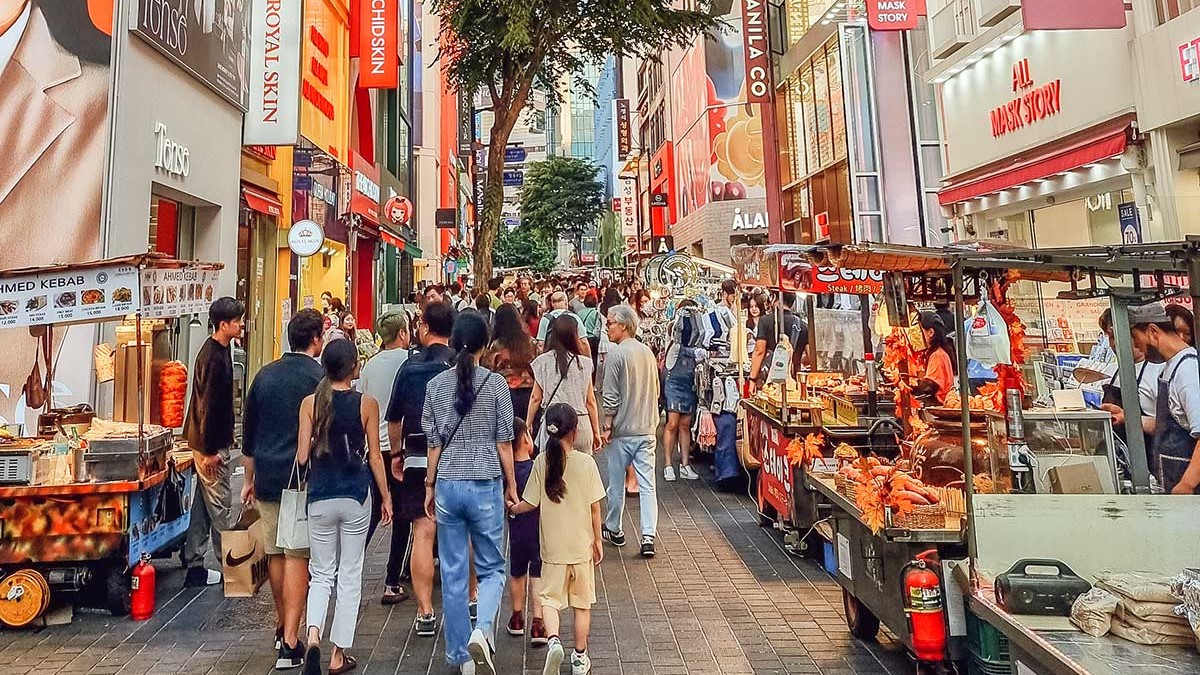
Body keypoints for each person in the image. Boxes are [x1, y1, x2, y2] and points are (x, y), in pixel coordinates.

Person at [423, 312, 518, 674]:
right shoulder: (496, 386)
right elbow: (504, 443)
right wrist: (511, 485)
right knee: (492, 567)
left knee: (453, 570)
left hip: (447, 481)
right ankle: (482, 629)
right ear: (485, 345)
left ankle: (460, 657)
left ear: (451, 342)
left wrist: (429, 485)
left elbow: (434, 444)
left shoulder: (436, 387)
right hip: (485, 481)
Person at [297, 340, 392, 675]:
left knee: (321, 573)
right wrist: (387, 497)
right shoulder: (367, 404)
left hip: (320, 495)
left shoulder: (310, 403)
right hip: (355, 494)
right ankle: (338, 655)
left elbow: (302, 457)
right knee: (350, 573)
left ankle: (312, 637)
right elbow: (376, 456)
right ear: (354, 367)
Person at [240, 308, 324, 669]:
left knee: (275, 552)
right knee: (297, 555)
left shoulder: (264, 375)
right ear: (316, 339)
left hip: (268, 475)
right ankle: (290, 636)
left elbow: (248, 432)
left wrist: (247, 479)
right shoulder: (319, 377)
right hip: (302, 477)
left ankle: (280, 623)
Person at [508, 404, 605, 675]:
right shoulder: (586, 463)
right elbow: (595, 507)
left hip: (551, 550)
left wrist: (512, 510)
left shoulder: (541, 462)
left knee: (549, 600)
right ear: (575, 431)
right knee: (581, 606)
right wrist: (598, 540)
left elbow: (529, 502)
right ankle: (579, 657)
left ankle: (553, 643)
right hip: (581, 548)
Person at [386, 301, 457, 635]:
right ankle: (467, 602)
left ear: (425, 328)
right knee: (460, 531)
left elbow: (394, 419)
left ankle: (425, 611)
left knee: (423, 532)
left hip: (416, 458)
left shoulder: (409, 367)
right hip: (458, 458)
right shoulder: (460, 365)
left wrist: (396, 455)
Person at [181, 297, 244, 587]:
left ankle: (194, 561)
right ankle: (233, 567)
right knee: (220, 506)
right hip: (209, 445)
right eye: (237, 321)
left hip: (210, 441)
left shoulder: (222, 349)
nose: (241, 325)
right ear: (223, 324)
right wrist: (208, 452)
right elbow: (205, 406)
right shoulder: (212, 356)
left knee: (203, 506)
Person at [358, 311, 412, 604]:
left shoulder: (370, 366)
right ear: (402, 333)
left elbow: (362, 400)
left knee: (373, 513)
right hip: (401, 448)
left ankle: (350, 570)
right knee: (403, 515)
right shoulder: (409, 362)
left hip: (374, 448)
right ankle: (392, 580)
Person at [600, 304, 661, 559]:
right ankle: (648, 534)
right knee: (648, 485)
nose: (607, 326)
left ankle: (615, 527)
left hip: (623, 430)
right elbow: (656, 389)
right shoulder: (646, 351)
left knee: (616, 484)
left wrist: (606, 425)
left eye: (611, 322)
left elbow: (611, 396)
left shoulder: (616, 355)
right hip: (646, 427)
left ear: (623, 325)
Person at [1130, 303, 1200, 494]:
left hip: (1191, 491)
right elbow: (1170, 426)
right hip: (1172, 480)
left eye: (1136, 339)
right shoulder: (1170, 367)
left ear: (1153, 331)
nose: (1137, 347)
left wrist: (1187, 484)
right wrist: (1128, 419)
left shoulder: (1188, 370)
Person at [529, 317, 601, 454]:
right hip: (580, 425)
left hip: (553, 424)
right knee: (580, 471)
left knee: (552, 470)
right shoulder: (584, 364)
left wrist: (528, 424)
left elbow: (535, 398)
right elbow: (590, 401)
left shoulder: (542, 362)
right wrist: (596, 432)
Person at [505, 417, 546, 645]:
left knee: (517, 572)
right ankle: (538, 623)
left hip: (516, 531)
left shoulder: (507, 474)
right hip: (538, 531)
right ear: (526, 439)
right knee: (538, 575)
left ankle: (517, 617)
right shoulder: (536, 468)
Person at [662, 300, 703, 482]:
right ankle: (668, 464)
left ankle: (685, 464)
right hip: (674, 381)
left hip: (689, 381)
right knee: (672, 424)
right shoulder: (673, 328)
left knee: (685, 424)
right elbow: (677, 344)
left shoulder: (697, 334)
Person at [483, 304, 538, 421]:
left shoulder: (495, 346)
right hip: (529, 393)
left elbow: (488, 370)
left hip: (504, 393)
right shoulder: (530, 343)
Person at [748, 290, 808, 393]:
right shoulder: (803, 326)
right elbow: (811, 356)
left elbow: (759, 351)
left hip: (769, 382)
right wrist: (795, 360)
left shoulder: (765, 321)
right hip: (794, 382)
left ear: (775, 298)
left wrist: (752, 380)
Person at [913, 312, 956, 406]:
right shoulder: (934, 353)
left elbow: (930, 385)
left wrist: (908, 385)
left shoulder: (938, 355)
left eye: (919, 331)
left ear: (931, 332)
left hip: (939, 405)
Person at [536, 291, 591, 357]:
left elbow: (540, 344)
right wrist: (588, 360)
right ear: (566, 302)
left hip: (551, 358)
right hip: (572, 357)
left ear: (552, 304)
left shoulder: (545, 319)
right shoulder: (574, 318)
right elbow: (583, 342)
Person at [578, 291, 603, 372]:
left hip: (581, 338)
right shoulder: (596, 313)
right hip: (592, 338)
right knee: (593, 359)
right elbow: (597, 328)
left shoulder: (579, 312)